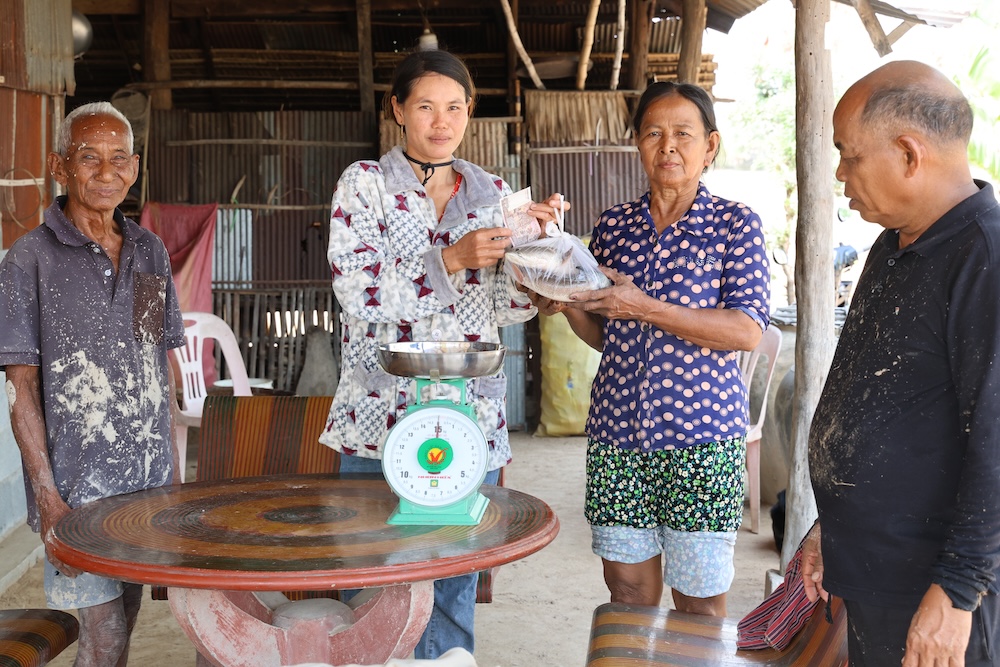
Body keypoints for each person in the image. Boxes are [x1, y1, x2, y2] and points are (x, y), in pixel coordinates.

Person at [318, 49, 566, 658]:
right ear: (397, 109)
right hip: (378, 414)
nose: (440, 121)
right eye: (425, 106)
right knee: (372, 577)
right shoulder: (365, 184)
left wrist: (543, 271)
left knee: (455, 574)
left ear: (469, 113)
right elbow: (357, 292)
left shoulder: (495, 193)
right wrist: (452, 257)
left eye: (454, 107)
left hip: (468, 414)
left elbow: (504, 307)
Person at [529, 81, 770, 617]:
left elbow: (746, 330)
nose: (668, 147)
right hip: (617, 435)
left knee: (699, 605)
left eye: (683, 134)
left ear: (710, 146)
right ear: (636, 143)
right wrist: (567, 303)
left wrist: (646, 306)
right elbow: (603, 332)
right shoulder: (615, 224)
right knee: (628, 595)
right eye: (654, 133)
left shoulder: (734, 224)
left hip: (701, 442)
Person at [800, 60, 1000, 666]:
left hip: (935, 590)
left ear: (909, 154)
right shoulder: (892, 245)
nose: (840, 175)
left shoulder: (985, 260)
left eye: (849, 155)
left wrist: (958, 591)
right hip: (874, 570)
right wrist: (827, 527)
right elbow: (871, 393)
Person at [0, 102, 185, 666]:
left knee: (124, 626)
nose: (106, 174)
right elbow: (21, 391)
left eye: (117, 160)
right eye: (88, 159)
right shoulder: (28, 259)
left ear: (134, 168)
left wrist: (173, 477)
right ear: (60, 166)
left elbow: (157, 364)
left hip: (145, 490)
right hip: (76, 494)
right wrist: (47, 497)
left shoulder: (149, 249)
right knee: (102, 640)